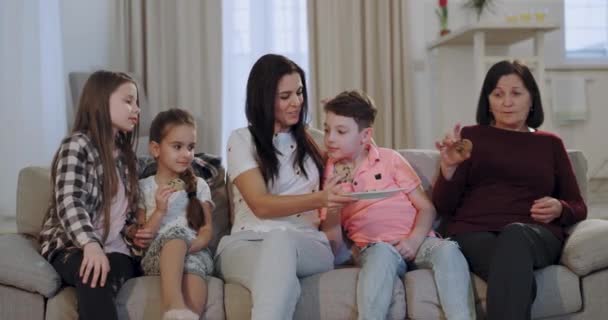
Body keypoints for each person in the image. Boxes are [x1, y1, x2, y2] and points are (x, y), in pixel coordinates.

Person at [433, 60, 587, 320]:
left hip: (534, 234)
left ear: (532, 99)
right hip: (474, 232)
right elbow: (444, 207)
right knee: (517, 278)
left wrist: (561, 208)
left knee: (515, 236)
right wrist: (448, 168)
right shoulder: (471, 138)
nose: (507, 102)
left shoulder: (550, 144)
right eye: (498, 94)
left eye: (516, 93)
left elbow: (579, 205)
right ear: (488, 101)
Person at [215, 53, 354, 320]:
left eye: (300, 92)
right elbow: (261, 205)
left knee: (280, 242)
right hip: (246, 243)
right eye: (285, 96)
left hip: (308, 245)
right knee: (280, 284)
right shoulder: (242, 140)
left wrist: (342, 120)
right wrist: (321, 199)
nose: (297, 102)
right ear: (264, 99)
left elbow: (363, 158)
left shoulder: (317, 141)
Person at [322, 90, 476, 320]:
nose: (330, 138)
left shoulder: (389, 159)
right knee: (382, 253)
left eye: (340, 131)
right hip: (376, 246)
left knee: (448, 250)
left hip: (419, 240)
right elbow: (333, 242)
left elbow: (426, 208)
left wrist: (414, 240)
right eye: (326, 130)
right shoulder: (329, 172)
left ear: (365, 136)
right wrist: (332, 209)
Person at [39, 70, 153, 320]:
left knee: (102, 275)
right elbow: (70, 201)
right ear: (101, 101)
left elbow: (125, 214)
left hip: (118, 250)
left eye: (137, 102)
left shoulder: (127, 159)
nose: (137, 109)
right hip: (74, 245)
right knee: (93, 275)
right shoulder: (77, 146)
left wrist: (135, 231)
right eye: (128, 100)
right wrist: (90, 245)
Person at [137, 109, 214, 320]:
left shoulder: (199, 185)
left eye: (191, 147)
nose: (186, 154)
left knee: (193, 265)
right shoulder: (143, 187)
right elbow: (142, 237)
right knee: (176, 233)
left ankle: (185, 316)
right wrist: (160, 210)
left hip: (195, 252)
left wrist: (193, 245)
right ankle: (175, 305)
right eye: (177, 147)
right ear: (155, 149)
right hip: (157, 255)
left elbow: (206, 229)